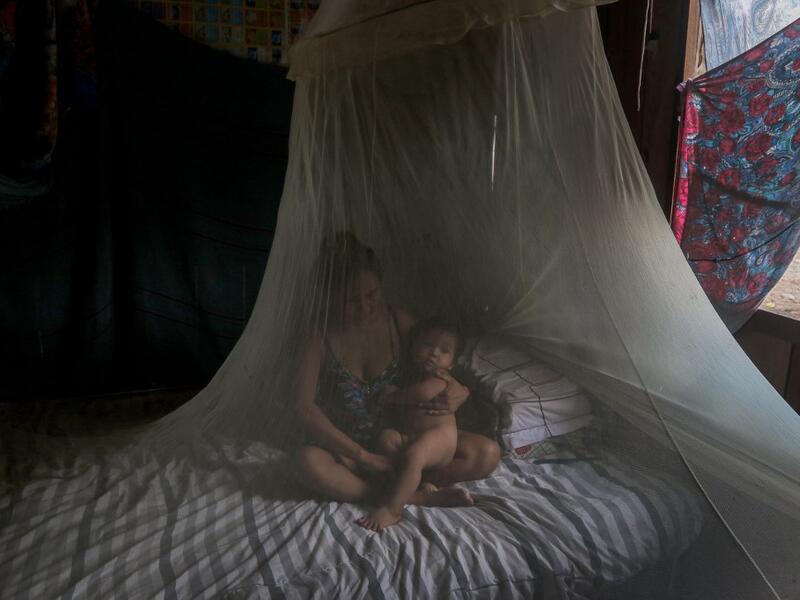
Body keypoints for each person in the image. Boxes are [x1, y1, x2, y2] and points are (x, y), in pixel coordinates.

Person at [290, 232, 501, 508]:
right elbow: (301, 407)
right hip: (352, 445)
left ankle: (406, 483)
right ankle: (413, 496)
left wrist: (457, 389)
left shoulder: (397, 320)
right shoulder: (316, 337)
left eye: (372, 295)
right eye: (352, 301)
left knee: (486, 453)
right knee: (306, 462)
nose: (366, 307)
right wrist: (363, 456)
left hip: (404, 439)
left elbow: (435, 360)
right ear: (330, 297)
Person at [357, 318, 469, 532]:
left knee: (415, 454)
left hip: (440, 439)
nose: (434, 353)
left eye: (444, 351)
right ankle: (420, 490)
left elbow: (421, 394)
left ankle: (392, 509)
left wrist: (391, 397)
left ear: (452, 363)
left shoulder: (441, 378)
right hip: (412, 436)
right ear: (414, 347)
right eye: (427, 345)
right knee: (386, 439)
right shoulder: (410, 376)